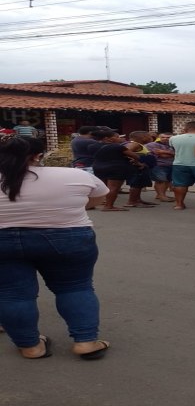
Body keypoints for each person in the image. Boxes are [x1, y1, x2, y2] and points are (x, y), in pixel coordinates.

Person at [0, 135, 111, 360]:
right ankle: (86, 342)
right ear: (39, 154)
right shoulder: (74, 175)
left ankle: (30, 347)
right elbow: (97, 199)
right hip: (68, 237)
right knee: (75, 287)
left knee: (13, 295)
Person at [88, 130, 145, 211]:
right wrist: (136, 162)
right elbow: (135, 156)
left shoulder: (91, 146)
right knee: (113, 187)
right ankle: (109, 206)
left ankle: (100, 202)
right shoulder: (118, 147)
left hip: (98, 166)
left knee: (103, 186)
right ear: (108, 138)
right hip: (116, 167)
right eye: (117, 137)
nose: (120, 139)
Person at [124, 131, 158, 208]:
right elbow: (125, 152)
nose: (151, 138)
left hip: (141, 168)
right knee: (135, 184)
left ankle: (138, 200)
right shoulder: (134, 144)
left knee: (139, 184)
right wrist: (137, 162)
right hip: (136, 168)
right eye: (149, 136)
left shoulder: (139, 145)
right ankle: (131, 202)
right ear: (143, 137)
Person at [145, 132, 175, 202]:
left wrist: (163, 151)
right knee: (160, 181)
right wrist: (171, 153)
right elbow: (162, 155)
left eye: (168, 137)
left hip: (171, 165)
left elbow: (178, 153)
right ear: (159, 137)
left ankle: (160, 195)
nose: (165, 139)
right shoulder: (152, 144)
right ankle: (162, 196)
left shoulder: (174, 145)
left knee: (167, 180)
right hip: (158, 165)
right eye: (163, 137)